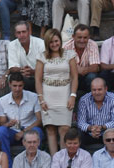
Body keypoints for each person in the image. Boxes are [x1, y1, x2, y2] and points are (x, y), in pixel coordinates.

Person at [35, 28, 78, 157]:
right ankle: (55, 160)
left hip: (65, 94)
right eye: (51, 42)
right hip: (48, 95)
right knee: (50, 129)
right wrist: (41, 99)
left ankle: (64, 159)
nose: (54, 44)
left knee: (64, 128)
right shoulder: (41, 56)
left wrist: (73, 95)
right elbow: (37, 79)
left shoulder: (69, 55)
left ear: (60, 40)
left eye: (56, 41)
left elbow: (75, 77)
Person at [0, 73, 43, 168]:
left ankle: (34, 164)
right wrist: (8, 124)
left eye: (20, 86)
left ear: (23, 85)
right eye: (14, 86)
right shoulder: (2, 100)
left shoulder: (33, 97)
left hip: (29, 130)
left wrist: (24, 132)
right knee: (0, 131)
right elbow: (2, 123)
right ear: (9, 85)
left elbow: (40, 120)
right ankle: (8, 167)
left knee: (37, 131)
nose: (17, 89)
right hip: (12, 131)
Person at [77, 77, 114, 146]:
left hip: (107, 133)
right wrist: (91, 128)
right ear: (91, 90)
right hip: (89, 133)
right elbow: (81, 122)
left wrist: (101, 127)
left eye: (99, 90)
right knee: (78, 134)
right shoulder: (84, 100)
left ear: (106, 89)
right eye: (94, 90)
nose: (97, 93)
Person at [8, 20, 44, 92]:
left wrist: (33, 72)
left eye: (24, 32)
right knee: (13, 78)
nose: (21, 35)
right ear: (15, 34)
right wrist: (22, 70)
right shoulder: (12, 45)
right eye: (19, 33)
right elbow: (12, 67)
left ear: (29, 32)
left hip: (40, 76)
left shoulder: (40, 43)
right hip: (22, 77)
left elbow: (45, 66)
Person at [63, 24, 100, 92]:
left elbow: (95, 67)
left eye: (85, 37)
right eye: (79, 37)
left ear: (89, 37)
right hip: (71, 77)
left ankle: (90, 99)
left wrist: (83, 70)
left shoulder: (93, 44)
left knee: (92, 77)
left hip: (86, 76)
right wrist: (76, 69)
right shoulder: (66, 47)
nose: (82, 40)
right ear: (73, 37)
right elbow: (63, 67)